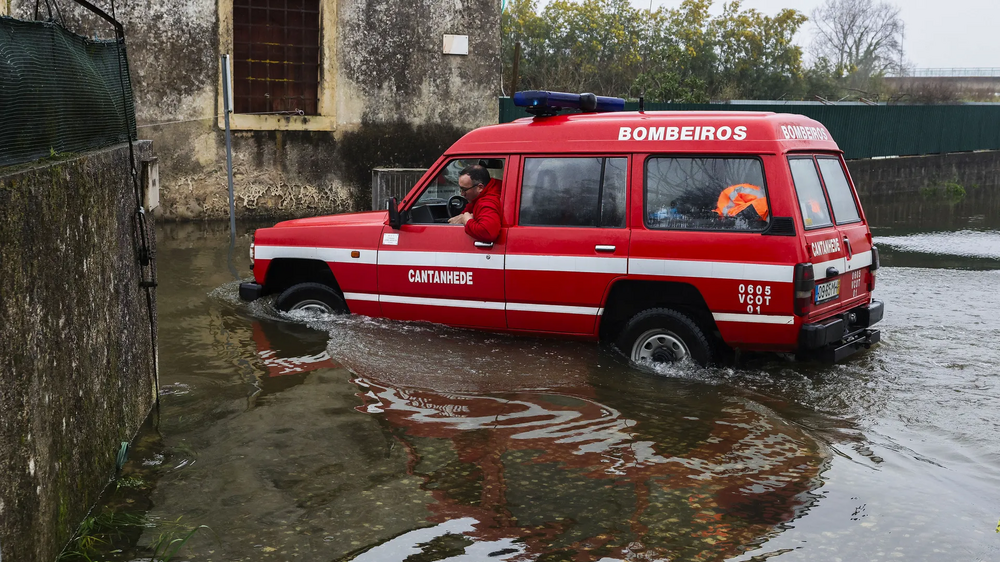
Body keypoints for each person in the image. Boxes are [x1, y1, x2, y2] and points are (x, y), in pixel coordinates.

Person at [448, 164, 502, 242]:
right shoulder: (495, 188)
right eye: (461, 189)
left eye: (464, 189)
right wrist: (463, 216)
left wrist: (466, 220)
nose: (462, 194)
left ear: (480, 187)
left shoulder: (486, 203)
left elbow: (488, 232)